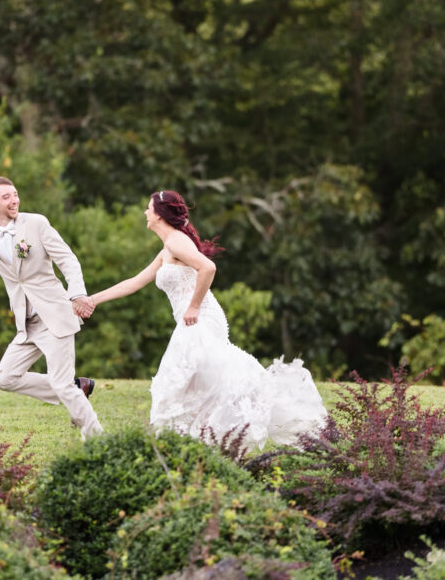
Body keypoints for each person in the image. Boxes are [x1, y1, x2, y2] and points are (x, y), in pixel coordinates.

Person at [89, 190, 326, 448]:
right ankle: (200, 443)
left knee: (175, 382)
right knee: (195, 384)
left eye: (148, 208)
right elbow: (134, 283)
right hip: (192, 319)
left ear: (159, 214)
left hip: (198, 318)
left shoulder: (176, 242)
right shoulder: (169, 246)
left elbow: (208, 268)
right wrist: (92, 300)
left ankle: (180, 445)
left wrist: (193, 306)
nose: (145, 213)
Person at [0, 176, 103, 440]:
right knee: (4, 378)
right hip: (26, 324)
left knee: (61, 383)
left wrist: (77, 293)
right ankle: (75, 389)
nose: (14, 200)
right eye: (6, 197)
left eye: (15, 194)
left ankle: (97, 438)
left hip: (55, 316)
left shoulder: (37, 223)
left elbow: (67, 260)